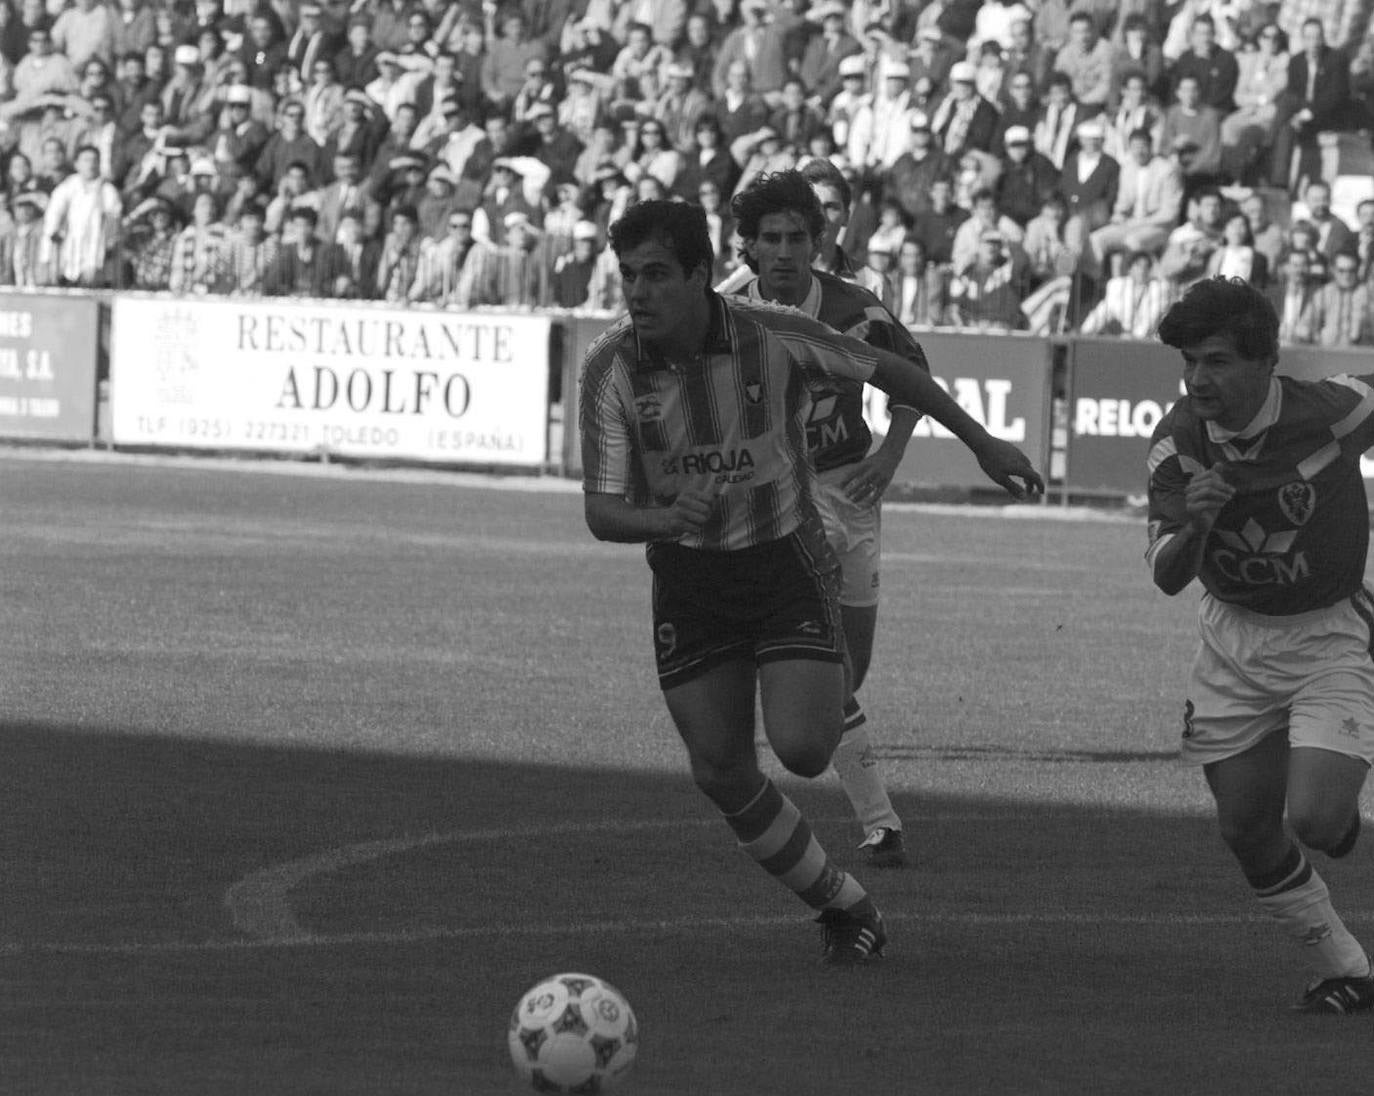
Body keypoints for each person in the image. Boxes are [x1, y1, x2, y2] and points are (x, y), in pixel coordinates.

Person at [580, 199, 1042, 965]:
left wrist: (983, 443)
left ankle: (843, 747)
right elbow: (600, 511)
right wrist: (664, 520)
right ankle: (844, 904)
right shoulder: (610, 367)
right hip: (689, 581)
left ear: (701, 276)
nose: (638, 292)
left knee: (801, 747)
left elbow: (895, 371)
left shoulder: (771, 333)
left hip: (781, 561)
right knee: (721, 771)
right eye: (628, 275)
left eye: (656, 275)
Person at [1146, 275, 1374, 1013]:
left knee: (1312, 819)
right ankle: (1347, 968)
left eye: (1215, 361)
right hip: (1231, 644)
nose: (1196, 379)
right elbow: (1166, 577)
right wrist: (1195, 525)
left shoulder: (1333, 412)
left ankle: (1335, 817)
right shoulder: (1177, 446)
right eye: (1189, 362)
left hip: (1329, 635)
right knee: (1245, 828)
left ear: (1265, 361)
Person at [729, 169, 932, 866]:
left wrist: (891, 456)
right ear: (750, 247)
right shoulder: (725, 311)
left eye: (797, 239)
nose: (784, 253)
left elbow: (916, 379)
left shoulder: (855, 307)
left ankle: (792, 695)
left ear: (819, 242)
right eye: (771, 240)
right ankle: (882, 824)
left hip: (853, 489)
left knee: (849, 674)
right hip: (785, 496)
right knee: (820, 653)